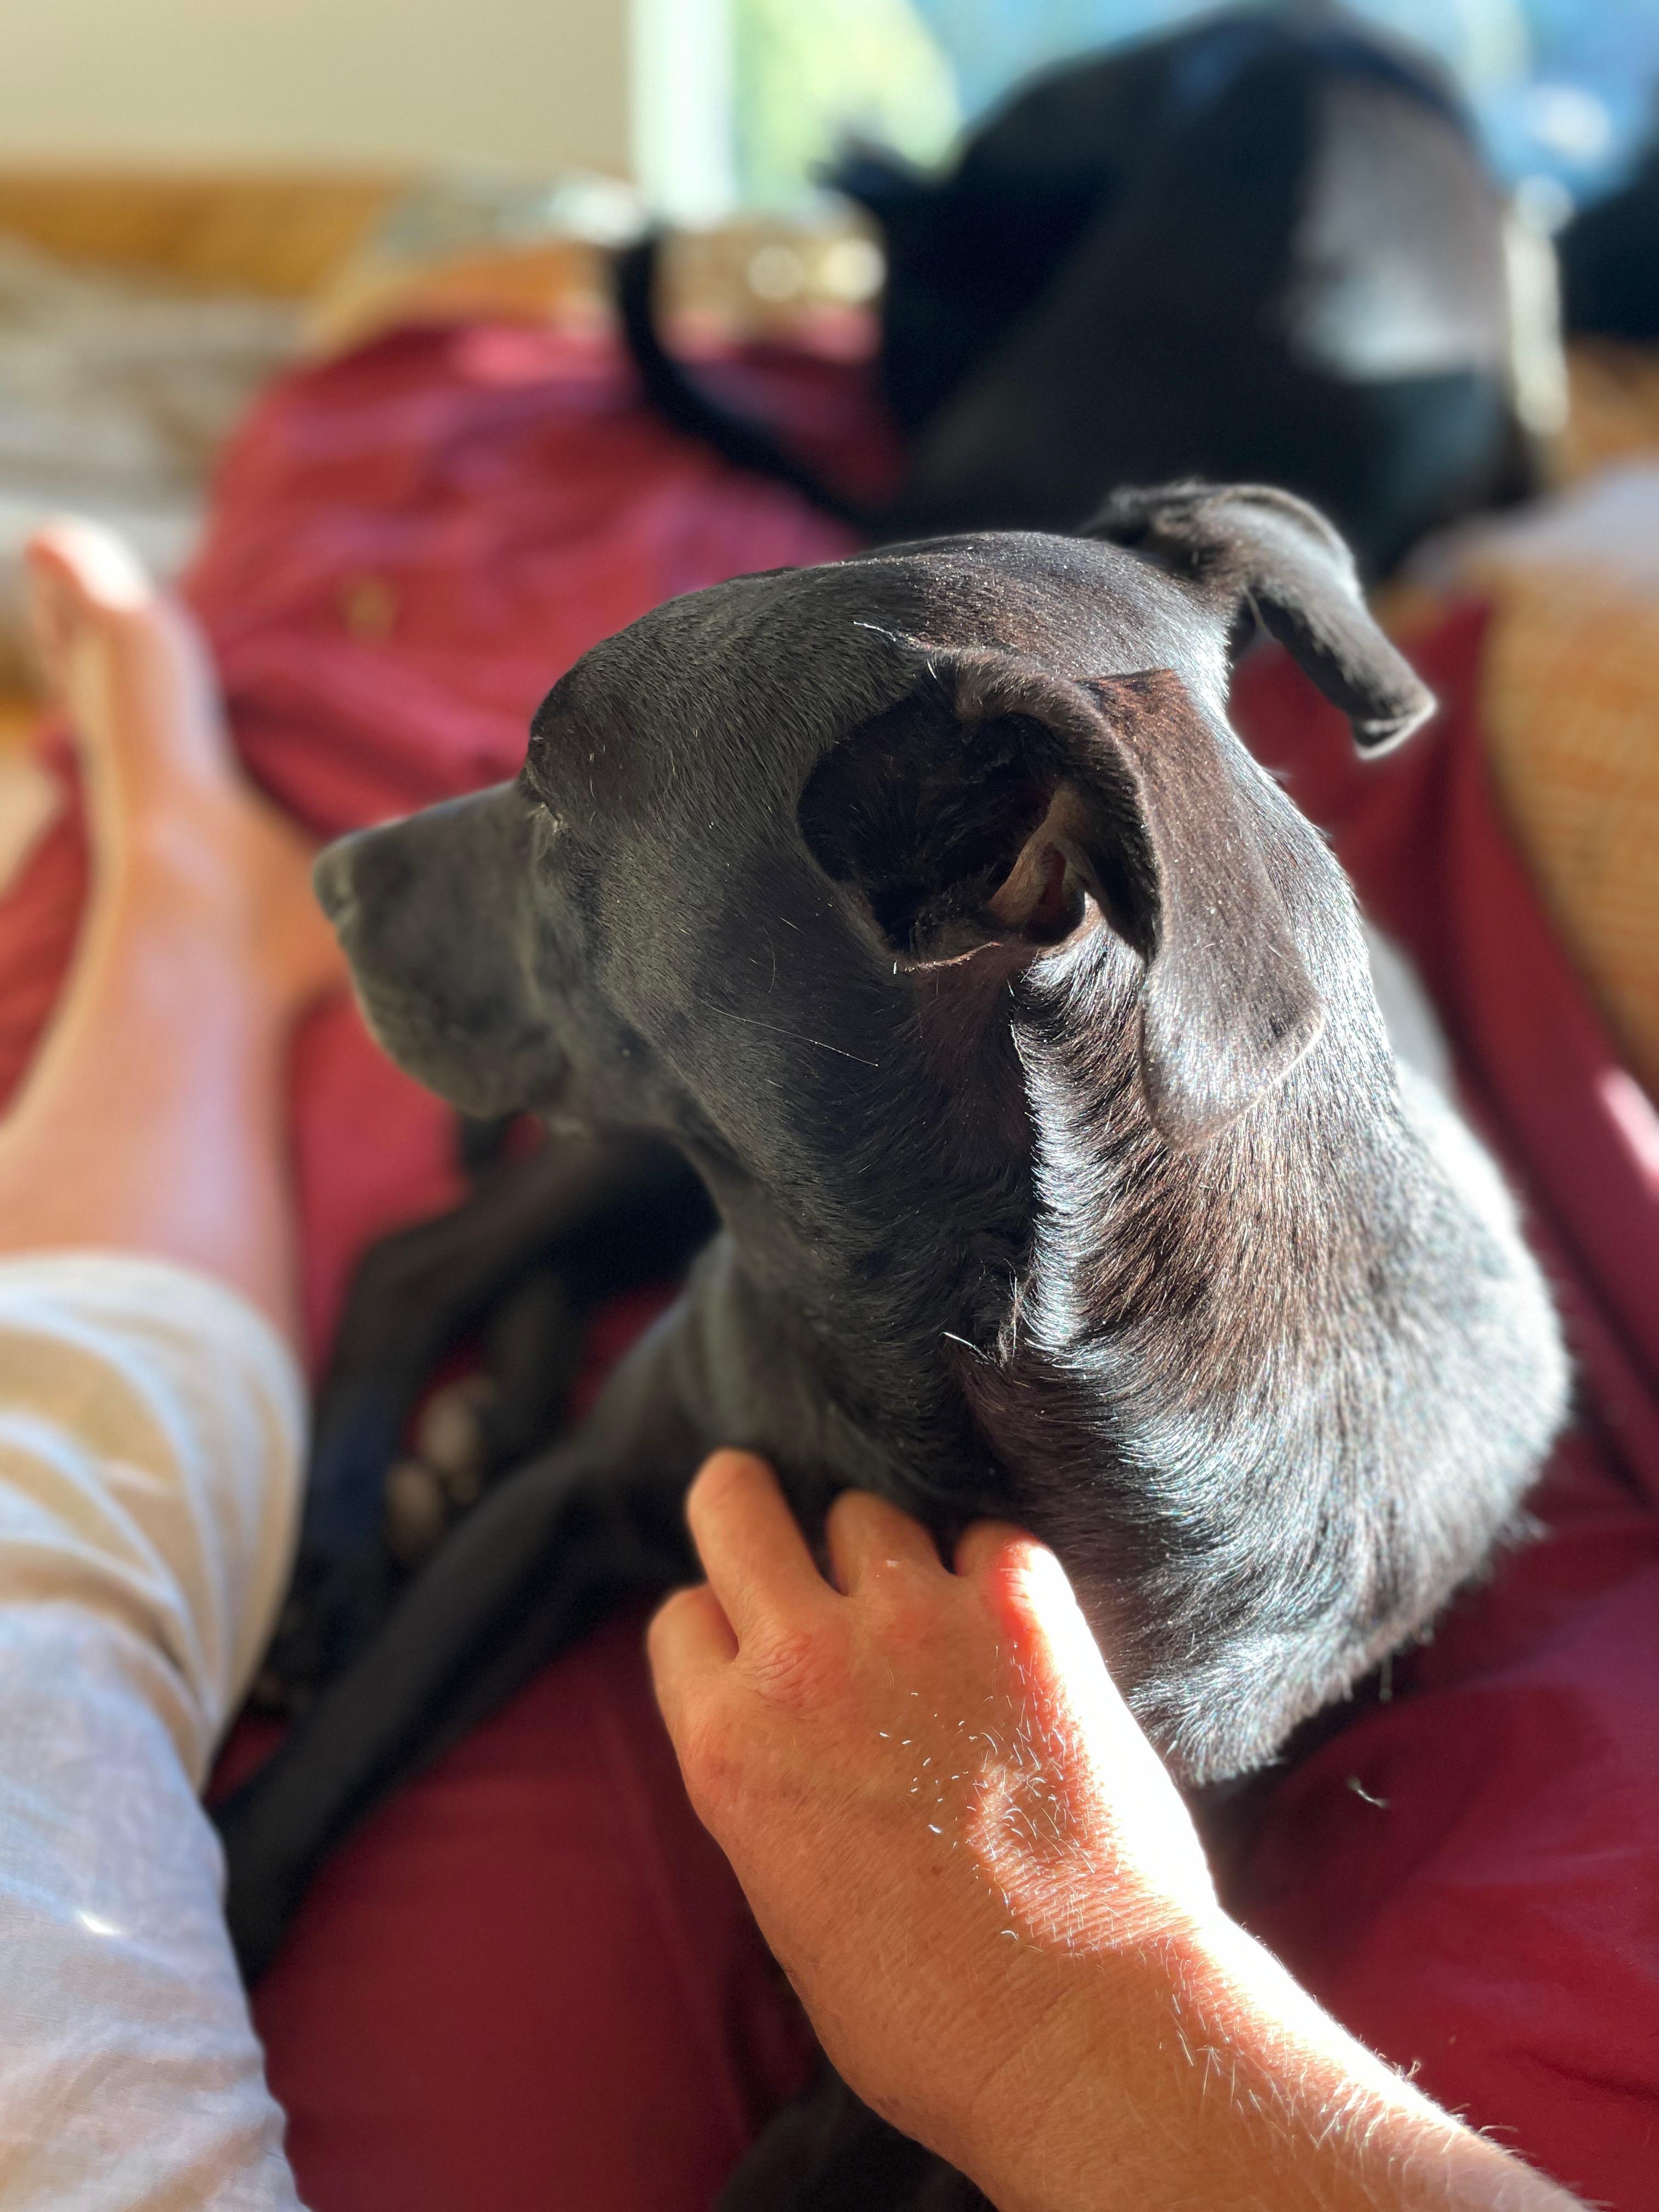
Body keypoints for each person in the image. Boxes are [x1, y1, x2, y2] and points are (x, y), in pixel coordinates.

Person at [0, 522, 1581, 2210]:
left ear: (1008, 849)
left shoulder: (1249, 1570)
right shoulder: (844, 1179)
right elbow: (581, 1508)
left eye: (564, 840)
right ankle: (386, 1230)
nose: (377, 879)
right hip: (920, 1170)